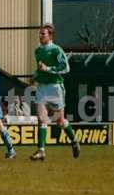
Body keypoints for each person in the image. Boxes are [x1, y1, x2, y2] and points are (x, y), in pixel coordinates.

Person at [30, 23, 80, 161]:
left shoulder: (57, 50)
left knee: (60, 120)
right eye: (39, 33)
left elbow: (66, 68)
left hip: (55, 87)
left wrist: (49, 69)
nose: (40, 36)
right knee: (41, 118)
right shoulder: (37, 51)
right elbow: (40, 68)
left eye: (43, 34)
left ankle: (74, 140)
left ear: (50, 35)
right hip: (42, 88)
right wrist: (35, 76)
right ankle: (41, 150)